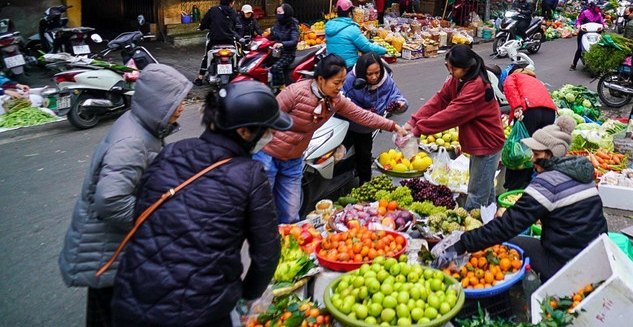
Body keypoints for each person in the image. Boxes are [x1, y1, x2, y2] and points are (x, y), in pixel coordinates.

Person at [110, 81, 294, 327]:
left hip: (131, 300)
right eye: (266, 130)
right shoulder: (250, 173)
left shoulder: (171, 151)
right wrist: (248, 297)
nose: (269, 136)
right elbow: (266, 254)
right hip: (199, 311)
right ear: (244, 132)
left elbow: (142, 214)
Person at [59, 64, 191, 327]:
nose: (183, 106)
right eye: (178, 100)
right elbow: (111, 199)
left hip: (113, 246)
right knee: (109, 313)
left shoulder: (142, 126)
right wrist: (153, 223)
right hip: (107, 247)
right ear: (158, 102)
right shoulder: (133, 141)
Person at [441, 116, 607, 281]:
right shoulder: (582, 176)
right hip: (595, 258)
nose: (532, 160)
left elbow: (507, 226)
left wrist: (462, 244)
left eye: (537, 154)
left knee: (509, 243)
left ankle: (529, 290)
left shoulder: (548, 182)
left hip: (567, 265)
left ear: (551, 154)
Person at [253, 54, 407, 223]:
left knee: (291, 214)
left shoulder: (335, 100)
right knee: (263, 210)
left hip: (294, 159)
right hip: (268, 156)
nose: (340, 87)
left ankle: (286, 243)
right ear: (320, 79)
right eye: (336, 83)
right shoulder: (295, 92)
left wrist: (393, 126)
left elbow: (361, 115)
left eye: (342, 82)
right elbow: (266, 118)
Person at [405, 45, 505, 211]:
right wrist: (414, 121)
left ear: (467, 68)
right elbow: (440, 99)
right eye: (447, 67)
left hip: (487, 144)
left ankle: (473, 232)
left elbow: (451, 115)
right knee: (485, 190)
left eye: (454, 68)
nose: (450, 72)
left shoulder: (476, 87)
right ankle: (490, 222)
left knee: (476, 194)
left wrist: (419, 129)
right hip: (478, 142)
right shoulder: (459, 79)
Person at [341, 53, 408, 184]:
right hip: (349, 122)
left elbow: (396, 95)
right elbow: (345, 102)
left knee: (364, 155)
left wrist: (400, 104)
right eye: (369, 74)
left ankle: (364, 185)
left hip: (366, 128)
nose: (374, 77)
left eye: (377, 73)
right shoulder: (350, 80)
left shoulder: (385, 80)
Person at [501, 67, 557, 190]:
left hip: (530, 110)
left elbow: (509, 87)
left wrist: (516, 107)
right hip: (549, 113)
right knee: (540, 149)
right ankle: (540, 182)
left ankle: (515, 186)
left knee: (522, 151)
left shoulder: (512, 77)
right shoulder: (535, 80)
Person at [324, 0, 387, 68]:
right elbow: (366, 47)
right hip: (348, 66)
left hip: (331, 65)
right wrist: (384, 50)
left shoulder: (330, 26)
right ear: (349, 13)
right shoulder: (352, 28)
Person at [195, 0, 241, 85]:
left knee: (207, 56)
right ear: (231, 2)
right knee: (237, 55)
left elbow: (204, 23)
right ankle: (238, 73)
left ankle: (200, 78)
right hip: (229, 40)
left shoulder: (213, 10)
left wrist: (202, 27)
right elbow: (237, 25)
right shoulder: (233, 12)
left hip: (215, 40)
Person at [266, 3, 299, 87]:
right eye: (277, 12)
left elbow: (294, 41)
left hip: (288, 53)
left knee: (276, 67)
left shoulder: (292, 25)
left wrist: (282, 44)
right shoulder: (277, 24)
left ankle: (280, 87)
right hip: (277, 52)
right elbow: (272, 36)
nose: (278, 15)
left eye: (280, 12)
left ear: (286, 13)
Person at [570, 0, 605, 70]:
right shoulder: (585, 13)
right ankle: (573, 64)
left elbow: (602, 21)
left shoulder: (598, 14)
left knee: (601, 46)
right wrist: (578, 25)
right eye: (596, 7)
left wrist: (605, 25)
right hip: (584, 33)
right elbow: (579, 20)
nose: (598, 9)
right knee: (580, 48)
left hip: (596, 33)